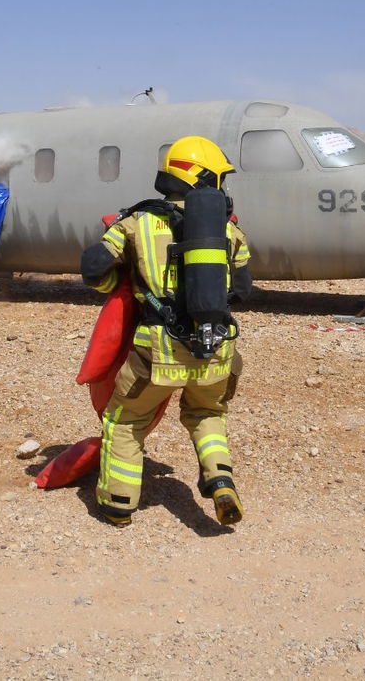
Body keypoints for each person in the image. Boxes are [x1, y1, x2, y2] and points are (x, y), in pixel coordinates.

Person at [80, 135, 252, 527]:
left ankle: (118, 505)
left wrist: (120, 284)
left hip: (157, 352)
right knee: (207, 414)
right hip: (217, 350)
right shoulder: (230, 232)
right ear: (205, 177)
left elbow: (93, 269)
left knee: (125, 421)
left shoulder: (136, 222)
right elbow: (241, 291)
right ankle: (220, 481)